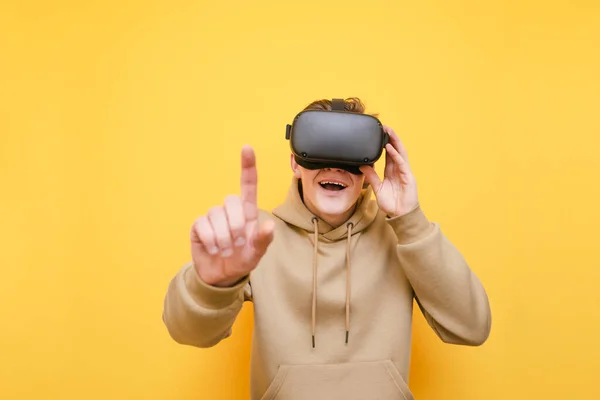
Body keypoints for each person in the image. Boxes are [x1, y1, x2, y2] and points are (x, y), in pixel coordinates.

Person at [162, 98, 491, 400]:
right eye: (318, 151)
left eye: (350, 157)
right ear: (295, 162)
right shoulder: (256, 237)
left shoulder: (401, 236)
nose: (334, 168)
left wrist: (410, 220)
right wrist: (213, 284)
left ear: (371, 164)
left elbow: (473, 327)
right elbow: (188, 331)